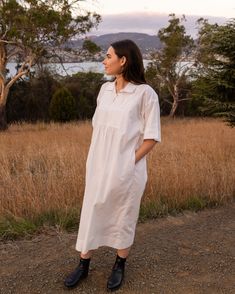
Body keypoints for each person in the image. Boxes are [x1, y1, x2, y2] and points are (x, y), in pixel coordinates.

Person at [64, 39, 161, 292]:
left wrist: (128, 162)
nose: (104, 61)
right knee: (92, 210)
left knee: (123, 216)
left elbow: (151, 138)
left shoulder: (145, 94)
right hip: (98, 164)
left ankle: (119, 264)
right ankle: (83, 265)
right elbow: (99, 128)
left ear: (123, 60)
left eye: (108, 56)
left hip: (127, 170)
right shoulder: (104, 90)